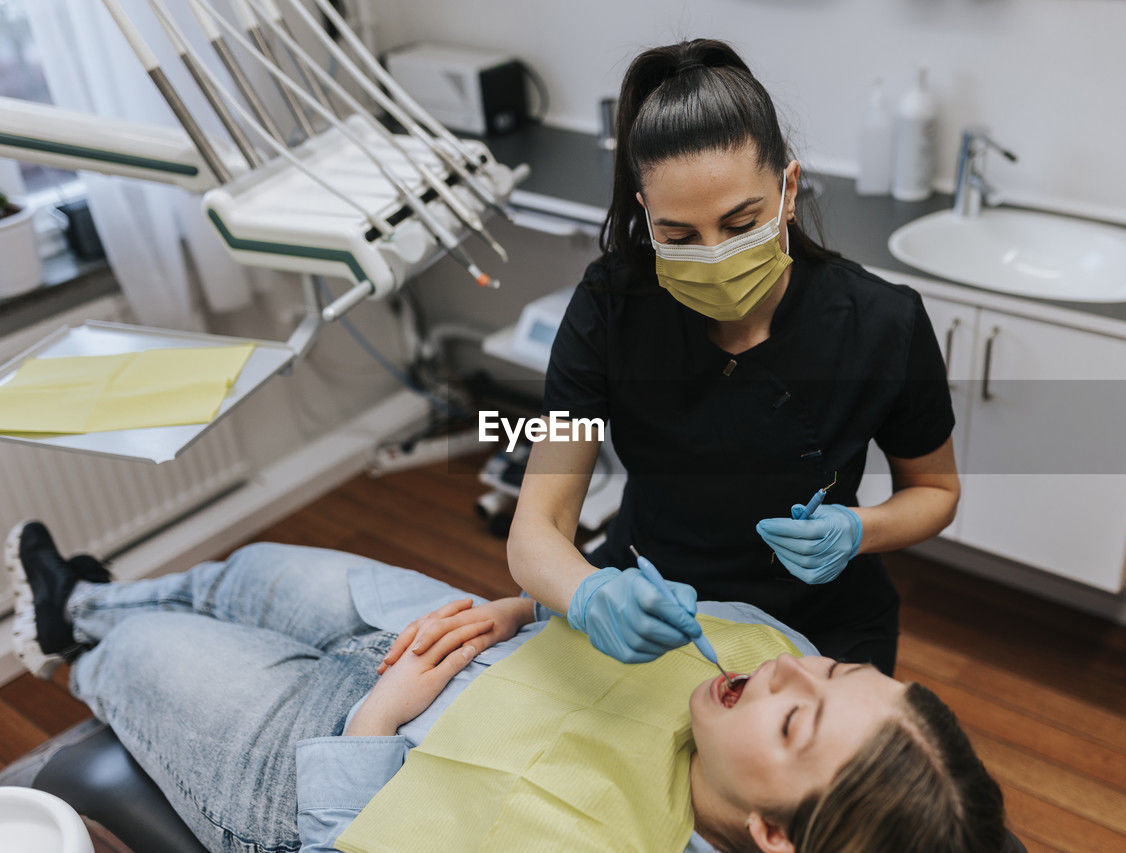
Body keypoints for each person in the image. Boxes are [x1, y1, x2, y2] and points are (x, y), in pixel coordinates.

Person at [9, 521, 1009, 853]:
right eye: (836, 665)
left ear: (776, 834)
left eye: (797, 714)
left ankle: (73, 637)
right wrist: (521, 608)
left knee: (145, 659)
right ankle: (89, 600)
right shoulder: (772, 654)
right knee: (254, 567)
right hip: (456, 629)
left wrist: (377, 715)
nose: (784, 665)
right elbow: (591, 593)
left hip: (332, 749)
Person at [508, 38, 960, 675]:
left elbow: (936, 491)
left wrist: (858, 530)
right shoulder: (611, 306)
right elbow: (536, 530)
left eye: (742, 223)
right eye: (679, 235)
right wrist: (587, 595)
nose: (715, 255)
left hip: (821, 623)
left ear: (788, 187)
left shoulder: (881, 322)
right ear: (647, 214)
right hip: (656, 601)